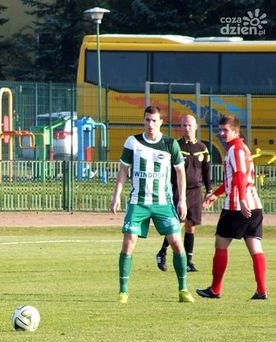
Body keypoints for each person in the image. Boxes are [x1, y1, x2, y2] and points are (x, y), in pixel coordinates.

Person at [110, 105, 195, 304]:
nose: (150, 124)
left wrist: (182, 200)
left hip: (163, 203)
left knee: (176, 243)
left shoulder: (170, 144)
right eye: (147, 120)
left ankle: (183, 289)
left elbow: (180, 173)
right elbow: (123, 170)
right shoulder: (133, 142)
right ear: (144, 120)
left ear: (161, 122)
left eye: (154, 120)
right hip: (138, 202)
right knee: (128, 243)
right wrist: (116, 195)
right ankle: (123, 291)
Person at [197, 115, 267, 300]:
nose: (221, 133)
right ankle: (261, 291)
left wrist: (242, 200)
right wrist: (216, 194)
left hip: (236, 207)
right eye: (220, 130)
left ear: (235, 131)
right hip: (255, 206)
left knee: (220, 244)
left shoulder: (235, 149)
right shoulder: (243, 148)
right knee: (255, 247)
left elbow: (239, 176)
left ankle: (215, 289)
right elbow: (233, 180)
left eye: (225, 130)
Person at [156, 114, 211, 272]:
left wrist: (209, 190)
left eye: (190, 125)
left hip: (196, 191)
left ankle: (188, 261)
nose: (187, 128)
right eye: (184, 125)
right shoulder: (176, 146)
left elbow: (206, 171)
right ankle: (162, 252)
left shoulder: (202, 148)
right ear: (181, 127)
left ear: (196, 127)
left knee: (191, 226)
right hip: (179, 190)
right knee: (177, 224)